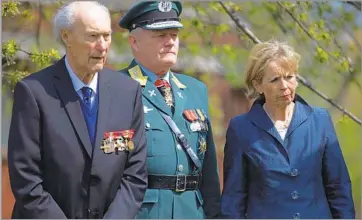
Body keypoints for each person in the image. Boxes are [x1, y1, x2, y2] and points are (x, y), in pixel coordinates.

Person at [7, 1, 147, 218]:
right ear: (66, 37)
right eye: (92, 36)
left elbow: (135, 175)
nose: (102, 46)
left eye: (106, 36)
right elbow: (27, 179)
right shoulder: (34, 92)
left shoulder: (128, 92)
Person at [220, 40, 355, 219]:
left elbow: (339, 189)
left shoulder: (320, 120)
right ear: (258, 85)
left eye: (289, 77)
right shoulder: (241, 129)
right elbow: (233, 201)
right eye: (275, 79)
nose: (284, 86)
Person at [118, 1, 221, 219]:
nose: (170, 42)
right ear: (134, 42)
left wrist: (214, 214)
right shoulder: (117, 87)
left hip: (192, 211)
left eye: (174, 35)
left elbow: (209, 167)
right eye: (160, 35)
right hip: (144, 212)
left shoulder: (195, 89)